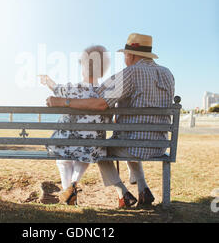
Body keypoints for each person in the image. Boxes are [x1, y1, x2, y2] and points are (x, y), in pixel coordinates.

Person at [46, 33, 175, 208]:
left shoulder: (130, 73)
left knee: (101, 151)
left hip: (135, 144)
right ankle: (143, 190)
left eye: (124, 55)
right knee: (128, 140)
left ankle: (123, 192)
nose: (124, 58)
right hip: (160, 144)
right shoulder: (167, 73)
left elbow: (100, 103)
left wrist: (65, 101)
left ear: (130, 55)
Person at [39, 45, 111, 205]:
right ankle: (73, 184)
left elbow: (57, 90)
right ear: (103, 69)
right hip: (92, 146)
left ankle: (68, 192)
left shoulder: (71, 89)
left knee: (63, 160)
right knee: (83, 155)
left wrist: (47, 81)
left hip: (65, 142)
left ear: (84, 67)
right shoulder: (105, 93)